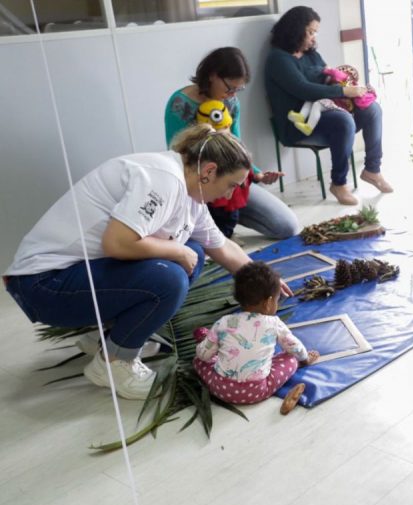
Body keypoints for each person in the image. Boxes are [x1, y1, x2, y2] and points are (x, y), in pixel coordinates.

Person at [3, 124, 291, 400]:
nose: (230, 194)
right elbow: (117, 243)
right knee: (170, 277)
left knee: (194, 251)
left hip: (70, 276)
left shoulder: (192, 195)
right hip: (43, 285)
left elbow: (222, 246)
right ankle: (114, 363)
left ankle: (113, 336)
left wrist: (267, 280)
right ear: (209, 171)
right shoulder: (163, 179)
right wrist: (175, 252)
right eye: (231, 185)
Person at [165, 46, 300, 239]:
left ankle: (229, 213)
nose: (232, 94)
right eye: (229, 88)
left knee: (286, 226)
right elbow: (178, 153)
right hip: (199, 184)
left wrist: (256, 173)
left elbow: (236, 146)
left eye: (238, 89)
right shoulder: (181, 104)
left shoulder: (231, 103)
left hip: (229, 183)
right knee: (203, 238)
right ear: (212, 75)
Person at [265, 6, 393, 206]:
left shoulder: (311, 55)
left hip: (326, 113)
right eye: (310, 32)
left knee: (372, 109)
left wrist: (347, 85)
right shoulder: (278, 60)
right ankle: (339, 183)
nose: (314, 38)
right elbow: (304, 89)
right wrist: (343, 92)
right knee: (343, 120)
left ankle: (372, 170)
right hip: (298, 125)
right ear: (295, 30)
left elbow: (326, 76)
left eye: (315, 32)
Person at [193, 261, 319, 412]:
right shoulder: (273, 323)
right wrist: (304, 359)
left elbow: (203, 355)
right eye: (277, 300)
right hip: (257, 391)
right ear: (269, 302)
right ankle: (296, 363)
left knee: (199, 359)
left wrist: (204, 351)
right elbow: (295, 347)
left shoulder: (224, 322)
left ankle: (208, 339)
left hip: (220, 388)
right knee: (291, 358)